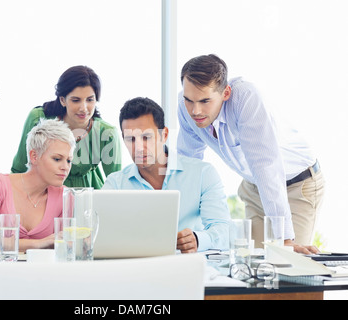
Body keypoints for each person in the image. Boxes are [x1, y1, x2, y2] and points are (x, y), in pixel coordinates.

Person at [177, 54, 324, 254]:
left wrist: (285, 239)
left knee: (288, 263)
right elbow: (188, 163)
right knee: (254, 266)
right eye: (189, 100)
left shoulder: (246, 99)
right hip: (255, 187)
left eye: (205, 101)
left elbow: (266, 166)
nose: (195, 111)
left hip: (298, 184)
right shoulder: (186, 106)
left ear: (226, 93)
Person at [102, 97, 231, 253]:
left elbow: (224, 231)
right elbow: (100, 233)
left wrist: (197, 239)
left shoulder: (203, 173)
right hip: (136, 268)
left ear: (164, 135)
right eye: (131, 139)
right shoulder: (115, 184)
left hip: (187, 267)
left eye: (146, 137)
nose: (138, 147)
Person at [0, 119, 76, 253]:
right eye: (57, 159)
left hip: (20, 272)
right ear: (34, 156)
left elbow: (66, 246)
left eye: (69, 160)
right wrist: (40, 243)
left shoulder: (64, 196)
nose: (65, 167)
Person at [11, 65, 121, 189]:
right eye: (76, 100)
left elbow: (117, 185)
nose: (83, 108)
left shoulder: (107, 133)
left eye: (90, 100)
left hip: (88, 196)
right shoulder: (38, 118)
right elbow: (19, 169)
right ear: (62, 100)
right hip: (43, 195)